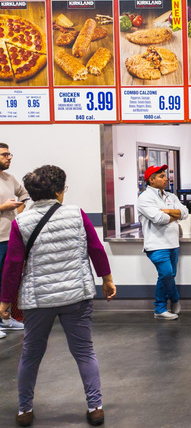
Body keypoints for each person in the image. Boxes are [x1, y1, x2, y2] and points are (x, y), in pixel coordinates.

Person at [0, 165, 117, 427]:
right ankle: (95, 406)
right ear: (58, 191)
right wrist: (107, 280)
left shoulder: (22, 222)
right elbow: (96, 249)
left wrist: (5, 301)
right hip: (76, 296)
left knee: (30, 354)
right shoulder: (77, 214)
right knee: (85, 352)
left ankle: (24, 410)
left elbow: (12, 265)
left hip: (38, 299)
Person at [137, 165, 189, 320]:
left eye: (165, 175)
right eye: (161, 176)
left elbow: (185, 212)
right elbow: (159, 219)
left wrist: (166, 211)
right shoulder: (145, 198)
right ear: (151, 180)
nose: (166, 179)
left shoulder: (170, 197)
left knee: (167, 275)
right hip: (156, 245)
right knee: (166, 274)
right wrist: (173, 214)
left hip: (173, 243)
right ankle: (174, 299)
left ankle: (160, 308)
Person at [0, 142, 28, 336]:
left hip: (9, 238)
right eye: (4, 155)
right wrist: (3, 208)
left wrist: (18, 213)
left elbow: (24, 194)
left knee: (7, 280)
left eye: (10, 154)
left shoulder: (9, 178)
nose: (9, 158)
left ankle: (5, 319)